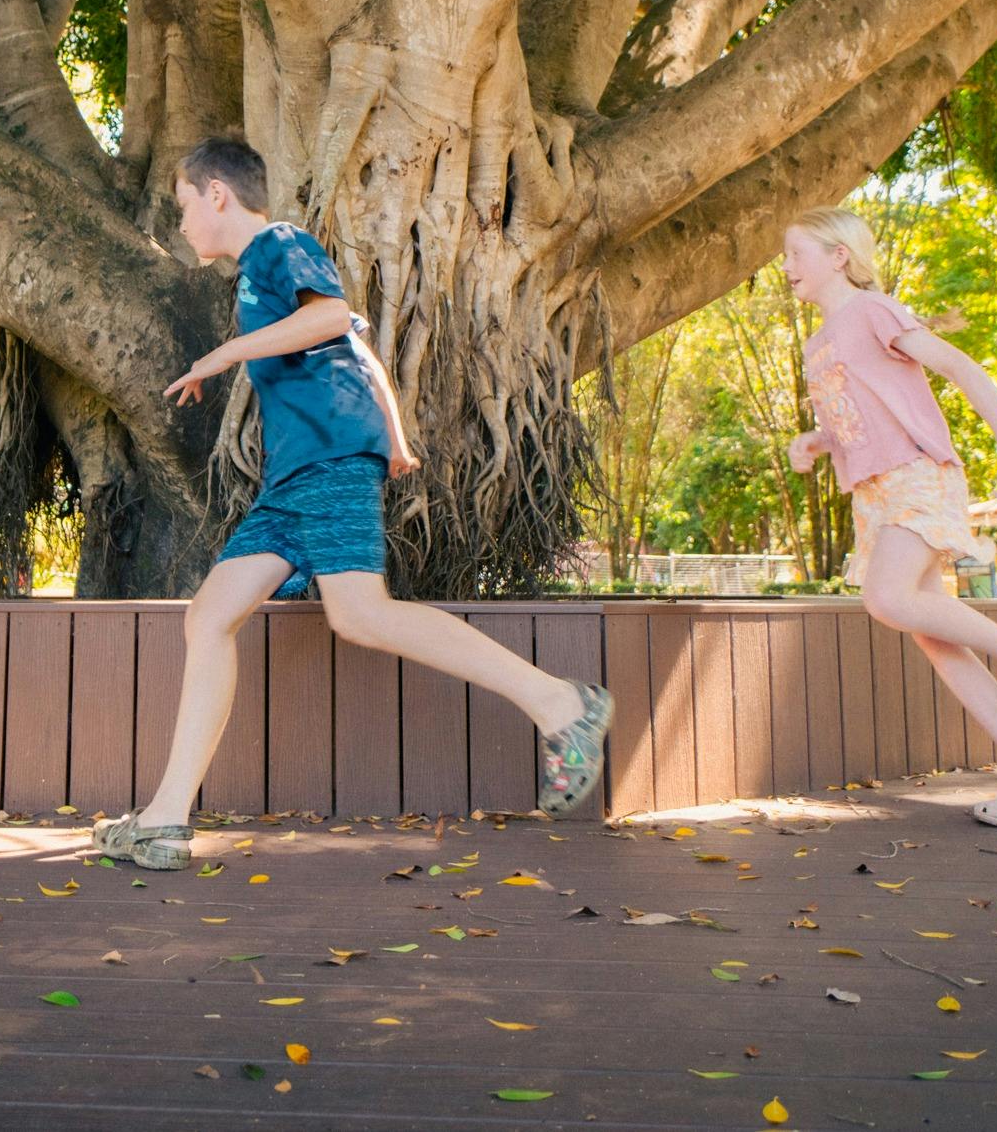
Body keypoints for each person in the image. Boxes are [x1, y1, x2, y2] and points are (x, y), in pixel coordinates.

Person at [93, 137, 614, 872]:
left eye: (182, 206)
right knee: (208, 614)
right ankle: (166, 820)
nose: (181, 224)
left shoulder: (278, 243)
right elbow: (362, 345)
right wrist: (396, 433)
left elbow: (334, 316)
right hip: (292, 476)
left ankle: (562, 704)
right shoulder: (253, 277)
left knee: (359, 613)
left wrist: (222, 355)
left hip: (328, 456)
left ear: (217, 194)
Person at [781, 206, 997, 829]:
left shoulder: (872, 311)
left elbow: (959, 366)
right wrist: (818, 441)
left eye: (795, 254)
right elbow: (861, 417)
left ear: (838, 256)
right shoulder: (818, 344)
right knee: (937, 638)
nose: (785, 267)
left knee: (887, 598)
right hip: (874, 494)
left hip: (919, 477)